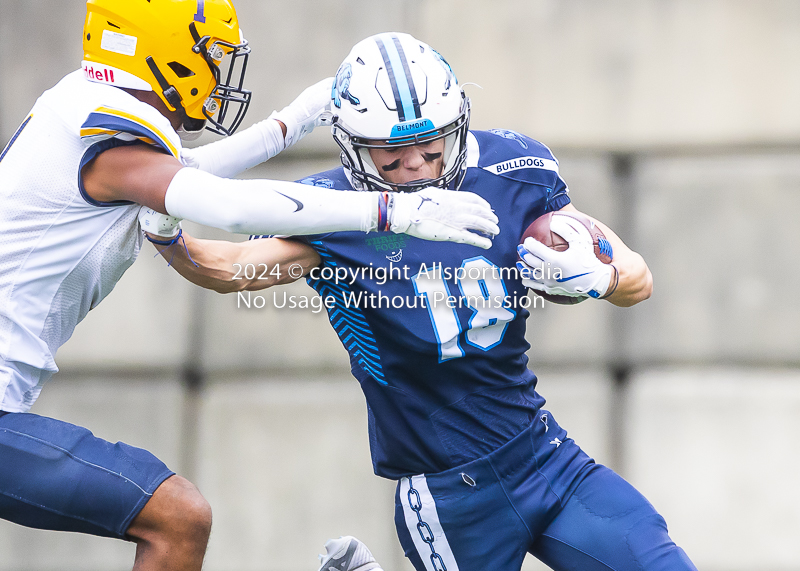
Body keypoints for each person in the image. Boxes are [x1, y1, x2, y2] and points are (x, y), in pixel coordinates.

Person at [145, 33, 698, 571]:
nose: (413, 163)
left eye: (429, 146)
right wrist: (164, 230)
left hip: (544, 453)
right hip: (449, 492)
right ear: (350, 146)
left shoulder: (514, 166)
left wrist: (594, 278)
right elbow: (232, 271)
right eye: (390, 152)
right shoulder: (332, 208)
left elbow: (636, 277)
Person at [0, 1, 500, 568]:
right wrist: (390, 212)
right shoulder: (106, 138)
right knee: (177, 516)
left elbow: (188, 173)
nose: (218, 74)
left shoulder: (85, 105)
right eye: (210, 56)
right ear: (167, 53)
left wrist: (294, 121)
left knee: (173, 514)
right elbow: (224, 206)